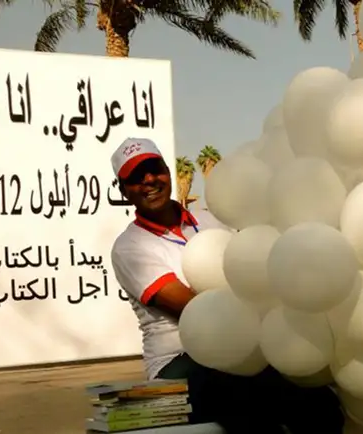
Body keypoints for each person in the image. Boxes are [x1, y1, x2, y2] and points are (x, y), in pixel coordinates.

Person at [109, 138, 345, 434]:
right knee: (250, 404)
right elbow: (192, 308)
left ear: (167, 172)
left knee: (320, 402)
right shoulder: (130, 247)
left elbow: (251, 268)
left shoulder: (211, 221)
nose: (149, 180)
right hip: (179, 362)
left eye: (154, 169)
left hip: (242, 343)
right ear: (124, 191)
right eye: (135, 177)